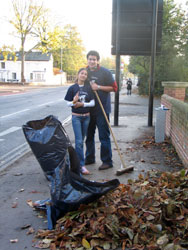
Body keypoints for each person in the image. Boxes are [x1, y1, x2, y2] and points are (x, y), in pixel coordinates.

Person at [85, 50, 117, 170]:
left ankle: (107, 161)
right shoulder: (85, 72)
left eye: (94, 59)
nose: (92, 61)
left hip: (102, 109)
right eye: (90, 59)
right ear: (87, 60)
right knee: (89, 135)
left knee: (103, 136)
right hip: (88, 109)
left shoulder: (105, 72)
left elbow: (114, 88)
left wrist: (98, 87)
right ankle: (89, 158)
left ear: (97, 60)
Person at [64, 68, 95, 175]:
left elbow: (92, 103)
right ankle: (80, 166)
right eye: (82, 73)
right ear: (78, 75)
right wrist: (74, 101)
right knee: (78, 142)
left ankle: (76, 163)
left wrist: (82, 104)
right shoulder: (72, 88)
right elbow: (67, 103)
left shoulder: (88, 88)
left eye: (85, 74)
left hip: (86, 117)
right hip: (76, 118)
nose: (83, 75)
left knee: (81, 141)